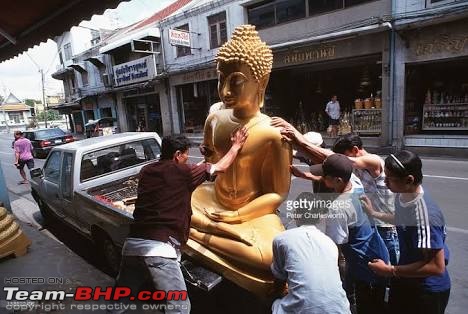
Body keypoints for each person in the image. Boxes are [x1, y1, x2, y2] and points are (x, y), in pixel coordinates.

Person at [188, 24, 292, 284]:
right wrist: (208, 156)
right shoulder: (214, 118)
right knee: (181, 202)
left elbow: (276, 194)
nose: (225, 91)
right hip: (212, 199)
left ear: (262, 82)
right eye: (221, 80)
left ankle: (195, 232)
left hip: (251, 211)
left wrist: (236, 216)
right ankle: (205, 229)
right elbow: (211, 166)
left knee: (269, 257)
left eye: (236, 82)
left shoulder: (273, 133)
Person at [112, 129, 248, 314]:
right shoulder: (184, 172)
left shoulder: (147, 171)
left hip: (133, 246)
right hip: (159, 250)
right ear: (177, 155)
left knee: (121, 298)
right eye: (185, 155)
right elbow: (220, 168)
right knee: (179, 307)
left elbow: (186, 173)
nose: (187, 159)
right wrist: (236, 146)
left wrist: (205, 162)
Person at [364, 150, 450, 314]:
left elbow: (436, 267)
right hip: (406, 279)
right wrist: (374, 213)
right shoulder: (403, 195)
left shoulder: (426, 216)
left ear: (409, 180)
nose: (385, 182)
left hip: (426, 291)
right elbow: (401, 220)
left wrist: (390, 270)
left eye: (390, 178)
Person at [309, 154, 390, 314]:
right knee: (377, 302)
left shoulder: (338, 207)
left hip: (364, 267)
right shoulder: (356, 184)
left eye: (326, 177)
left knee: (367, 305)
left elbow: (334, 246)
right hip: (377, 254)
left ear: (338, 180)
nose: (323, 179)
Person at [271, 191, 351, 314]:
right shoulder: (330, 243)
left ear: (296, 214)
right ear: (318, 217)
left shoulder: (281, 239)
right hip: (341, 310)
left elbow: (279, 282)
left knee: (275, 304)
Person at [333, 133, 399, 266]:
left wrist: (299, 138)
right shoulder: (356, 169)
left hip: (386, 230)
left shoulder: (374, 161)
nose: (344, 162)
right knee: (374, 270)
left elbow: (342, 161)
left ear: (355, 150)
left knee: (390, 271)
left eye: (345, 156)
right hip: (372, 227)